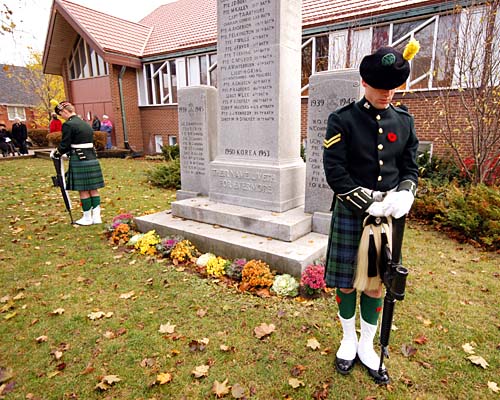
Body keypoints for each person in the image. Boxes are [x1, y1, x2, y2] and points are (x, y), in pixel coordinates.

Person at [322, 39, 420, 384]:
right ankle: (348, 339)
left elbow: (410, 167)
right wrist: (368, 203)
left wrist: (406, 194)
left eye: (392, 88)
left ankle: (367, 344)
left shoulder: (404, 121)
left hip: (390, 214)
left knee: (377, 284)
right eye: (380, 87)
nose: (387, 94)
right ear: (364, 83)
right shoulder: (342, 120)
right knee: (347, 282)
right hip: (353, 212)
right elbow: (334, 171)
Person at [50, 101, 105, 226]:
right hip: (92, 158)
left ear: (65, 112)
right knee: (93, 189)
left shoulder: (68, 125)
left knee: (83, 189)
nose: (61, 117)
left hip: (80, 159)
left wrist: (56, 154)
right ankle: (97, 217)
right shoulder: (84, 123)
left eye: (61, 114)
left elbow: (65, 144)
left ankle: (87, 218)